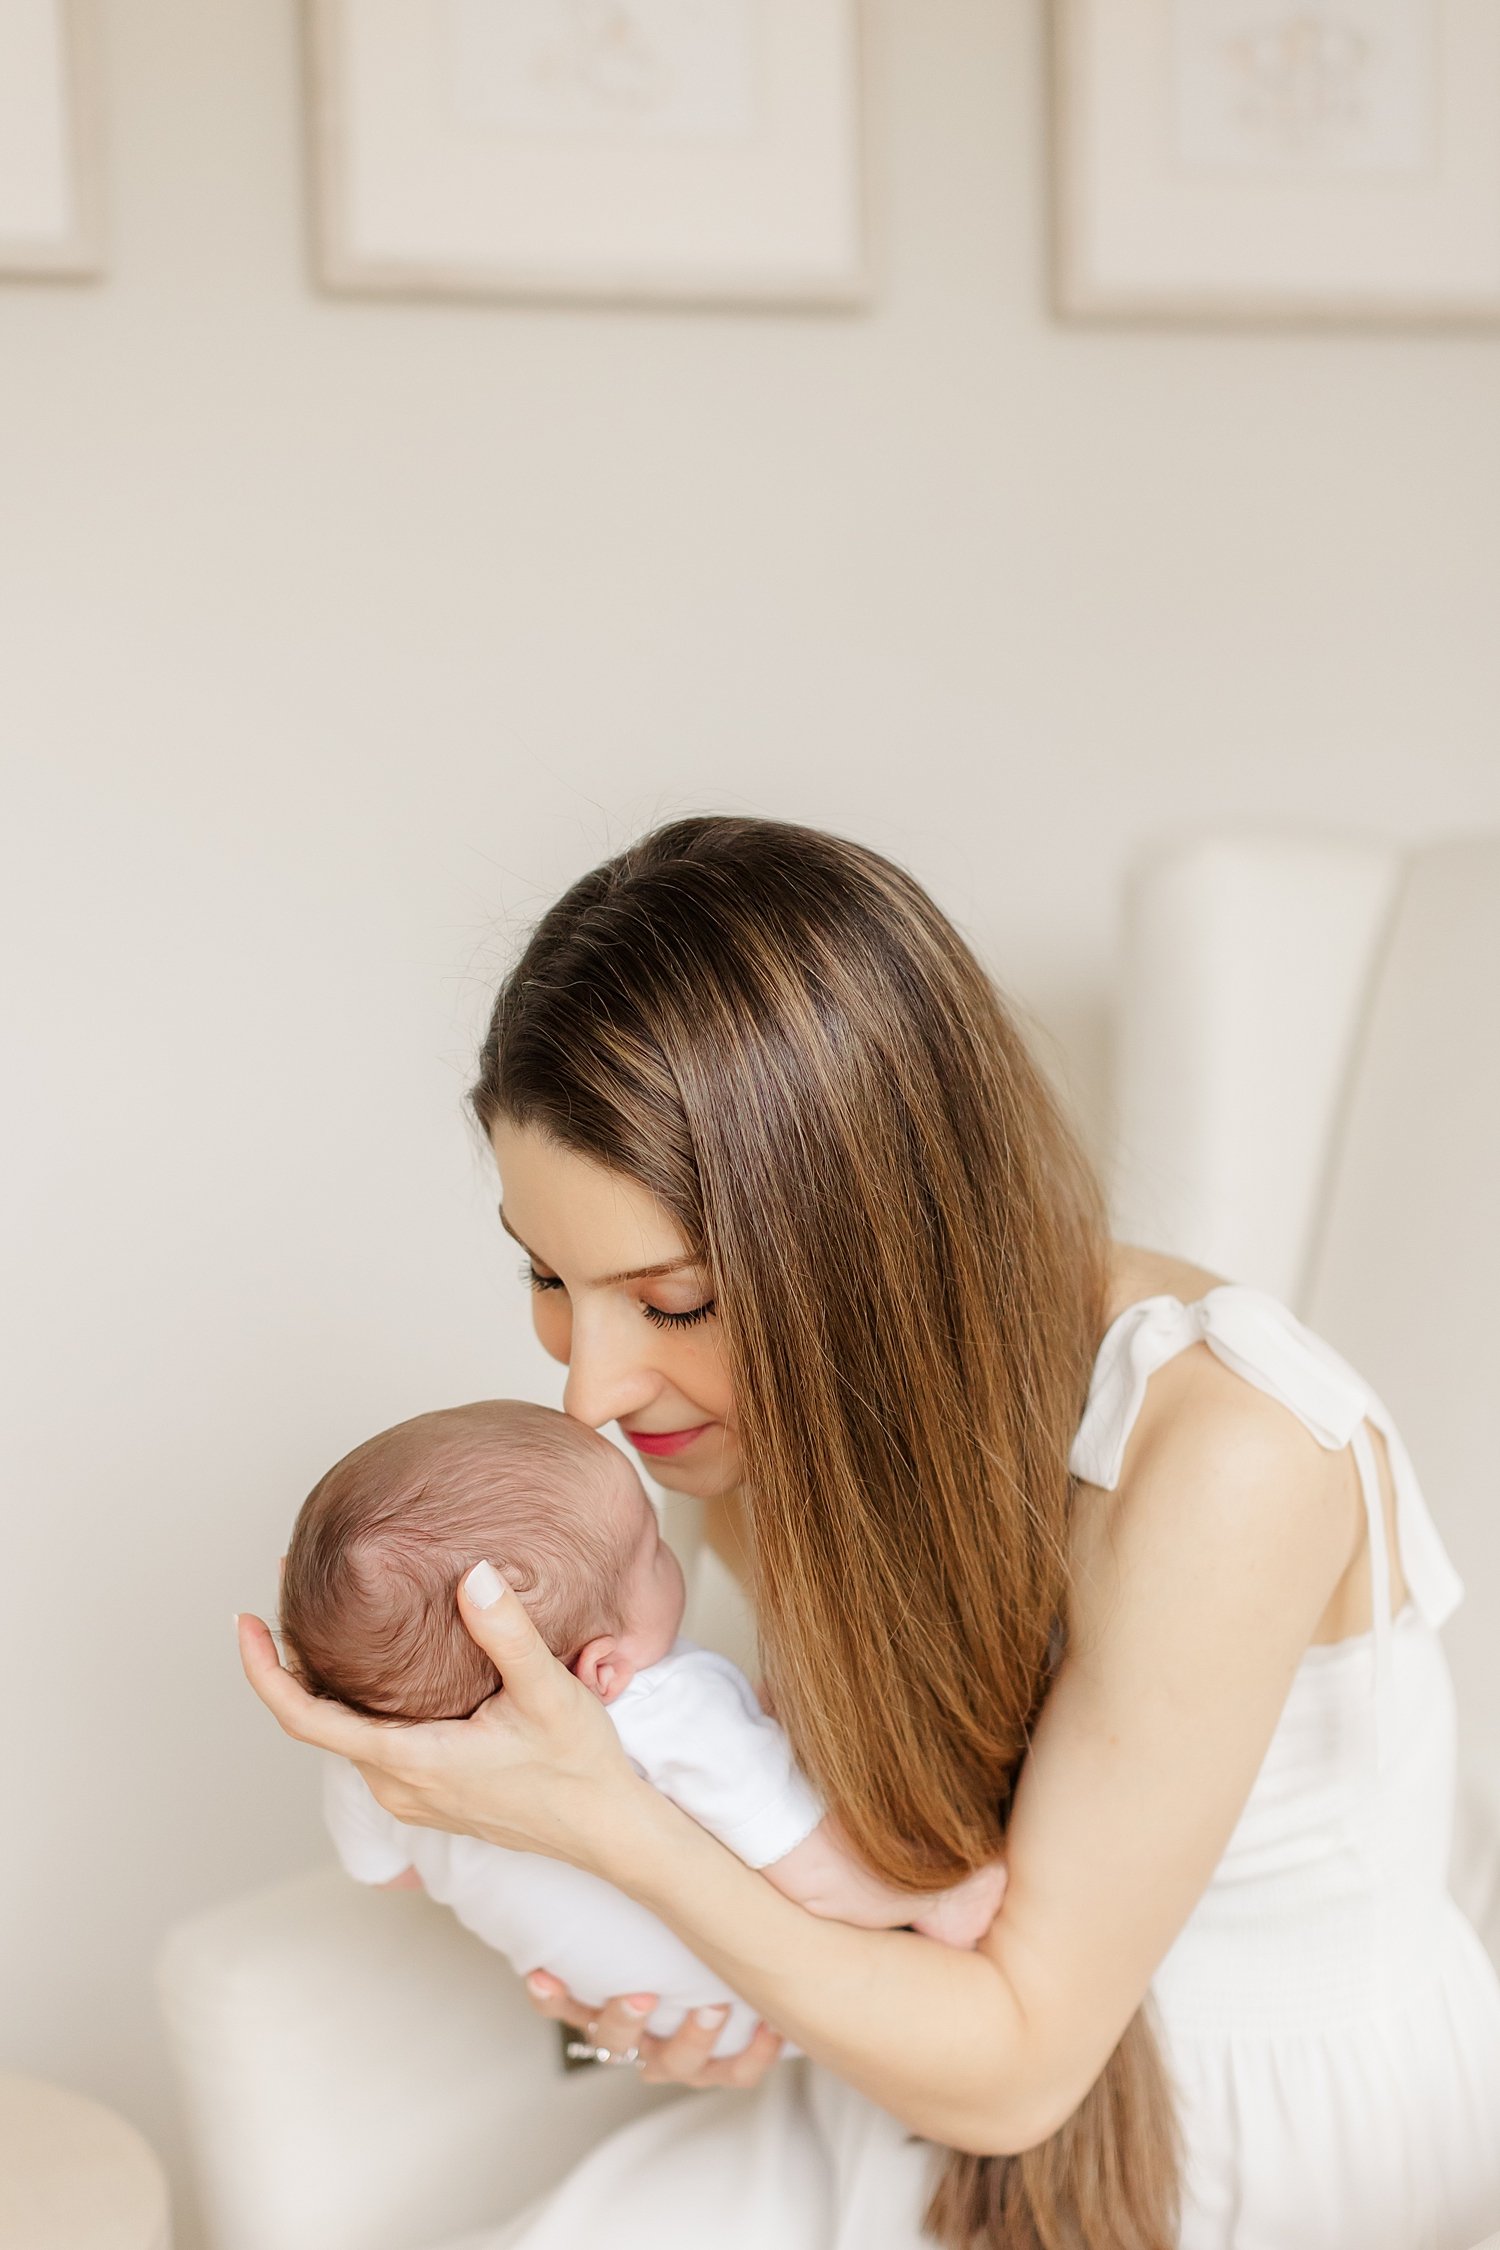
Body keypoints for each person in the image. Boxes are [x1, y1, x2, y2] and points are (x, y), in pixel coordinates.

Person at [240, 816, 1500, 2250]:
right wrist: (656, 2012)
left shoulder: (1227, 1453)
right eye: (546, 1272)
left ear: (869, 1239)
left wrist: (610, 1823)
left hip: (1257, 2149)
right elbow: (830, 1899)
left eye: (675, 1298)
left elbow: (1021, 2059)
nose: (587, 1390)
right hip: (901, 2108)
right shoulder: (759, 1431)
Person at [280, 1397, 1008, 2059]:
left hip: (649, 2022)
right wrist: (929, 1897)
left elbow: (390, 1875)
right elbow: (820, 1878)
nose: (667, 1557)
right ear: (601, 1670)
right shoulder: (671, 1707)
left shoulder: (375, 1764)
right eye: (653, 1550)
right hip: (787, 2003)